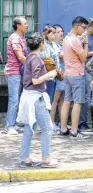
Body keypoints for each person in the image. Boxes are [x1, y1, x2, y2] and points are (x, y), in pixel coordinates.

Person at [17, 32, 59, 168]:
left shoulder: (30, 57)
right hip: (36, 97)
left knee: (30, 128)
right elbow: (35, 80)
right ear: (41, 44)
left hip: (29, 96)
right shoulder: (36, 59)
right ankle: (46, 159)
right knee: (47, 128)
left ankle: (25, 159)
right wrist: (49, 74)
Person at [60, 16, 90, 138]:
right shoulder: (76, 41)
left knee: (67, 101)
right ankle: (74, 130)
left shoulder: (67, 38)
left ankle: (63, 129)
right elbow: (83, 58)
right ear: (77, 26)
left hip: (68, 73)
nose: (85, 30)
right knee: (78, 103)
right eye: (84, 27)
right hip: (77, 74)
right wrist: (86, 43)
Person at [4, 17, 28, 135]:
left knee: (17, 98)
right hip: (13, 72)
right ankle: (9, 126)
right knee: (14, 99)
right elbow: (20, 56)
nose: (27, 25)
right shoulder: (14, 38)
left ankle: (14, 123)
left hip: (19, 72)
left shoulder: (21, 38)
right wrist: (32, 65)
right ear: (18, 25)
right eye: (25, 23)